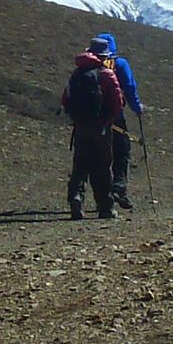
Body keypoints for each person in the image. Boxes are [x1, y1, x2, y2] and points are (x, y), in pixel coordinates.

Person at [61, 37, 123, 220]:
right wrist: (108, 119)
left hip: (81, 126)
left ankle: (76, 197)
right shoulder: (106, 74)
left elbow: (65, 99)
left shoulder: (77, 73)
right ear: (104, 56)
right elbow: (118, 103)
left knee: (80, 164)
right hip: (101, 127)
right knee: (102, 166)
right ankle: (105, 207)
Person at [94, 32, 142, 210]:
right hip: (114, 115)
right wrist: (137, 107)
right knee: (122, 150)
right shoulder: (119, 64)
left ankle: (96, 195)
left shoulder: (88, 65)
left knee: (96, 154)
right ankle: (119, 189)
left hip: (91, 116)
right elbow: (129, 87)